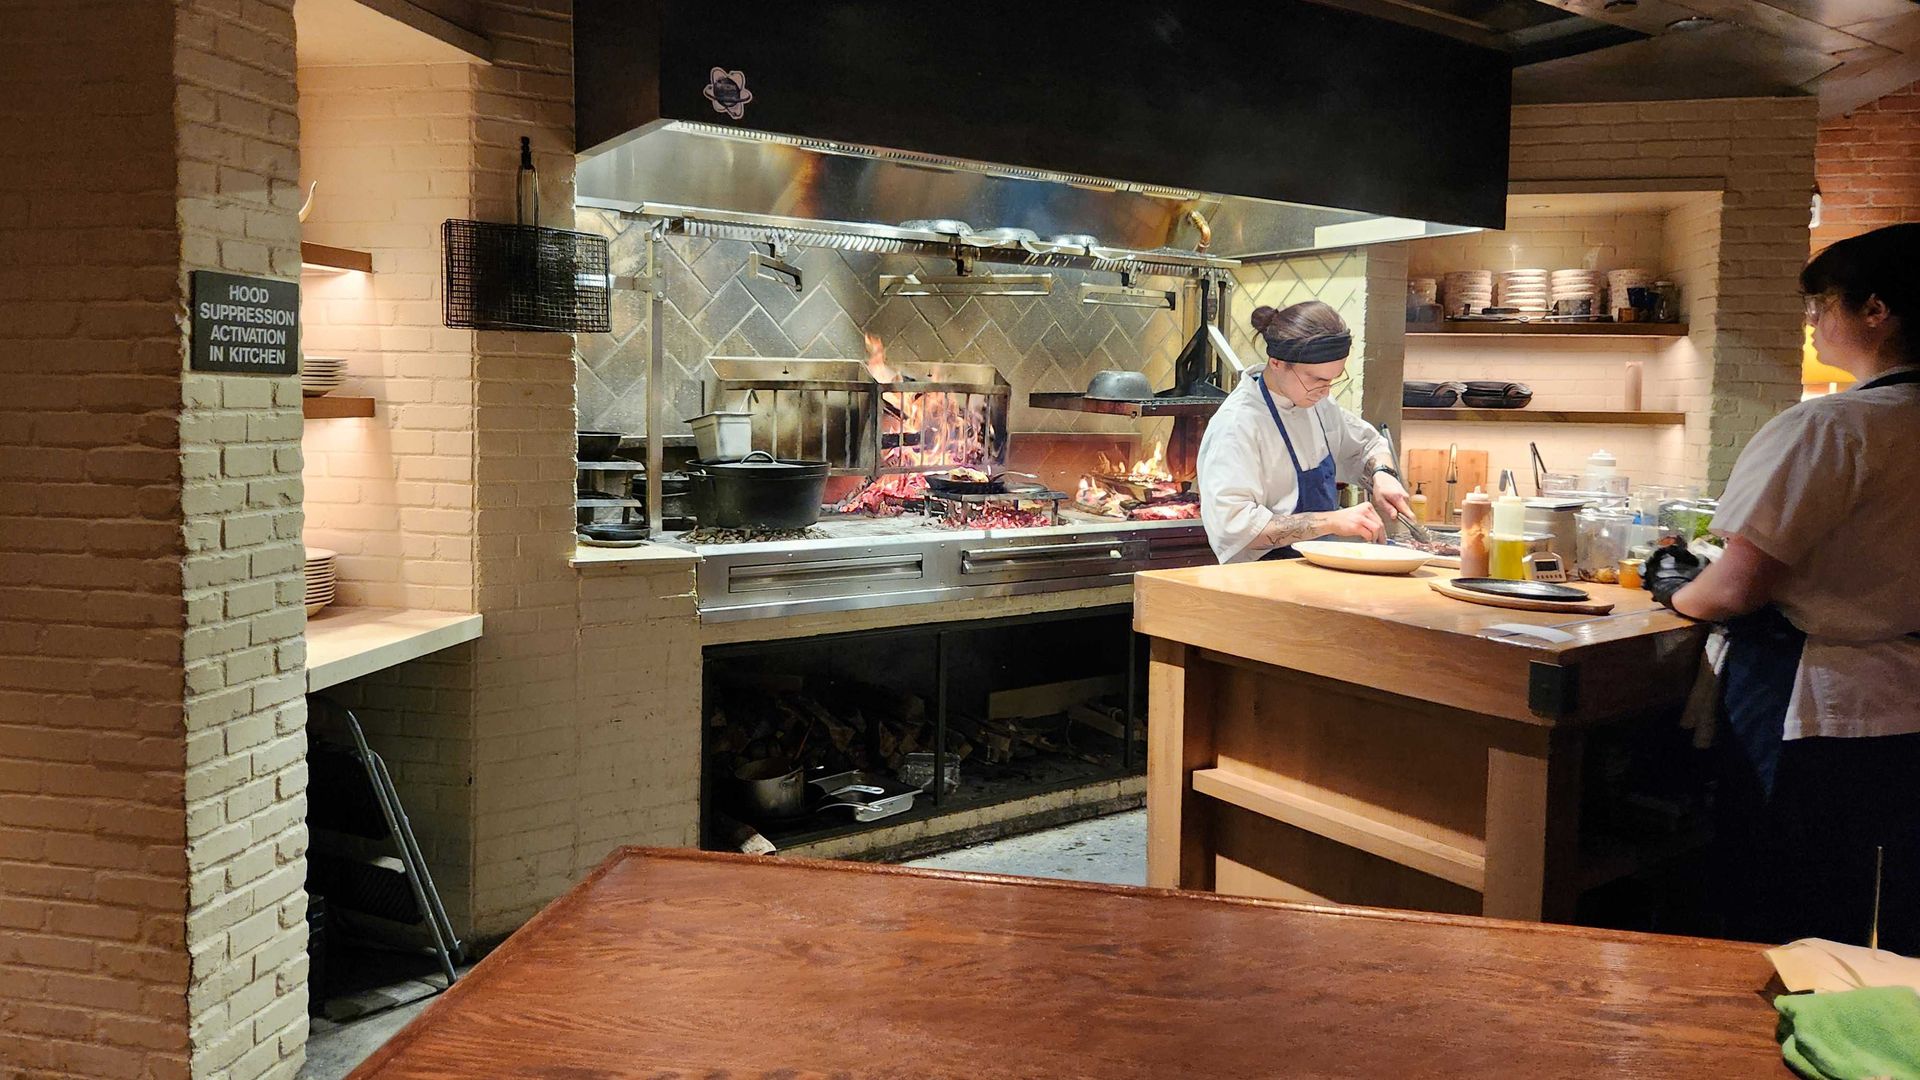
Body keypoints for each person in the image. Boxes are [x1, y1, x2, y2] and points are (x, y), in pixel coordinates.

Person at [1646, 223, 1920, 951]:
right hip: (1907, 704)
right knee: (1889, 918)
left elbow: (1734, 590)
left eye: (1821, 303)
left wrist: (1675, 586)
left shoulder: (1833, 426)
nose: (1814, 322)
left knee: (1785, 913)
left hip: (1821, 707)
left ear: (1875, 310)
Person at [1196, 301, 1411, 563]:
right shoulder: (1237, 425)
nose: (1326, 391)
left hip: (1317, 571)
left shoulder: (1318, 405)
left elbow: (1367, 446)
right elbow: (1235, 528)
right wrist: (1330, 521)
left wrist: (1382, 474)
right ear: (1276, 363)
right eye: (1317, 380)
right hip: (1259, 582)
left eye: (1333, 379)